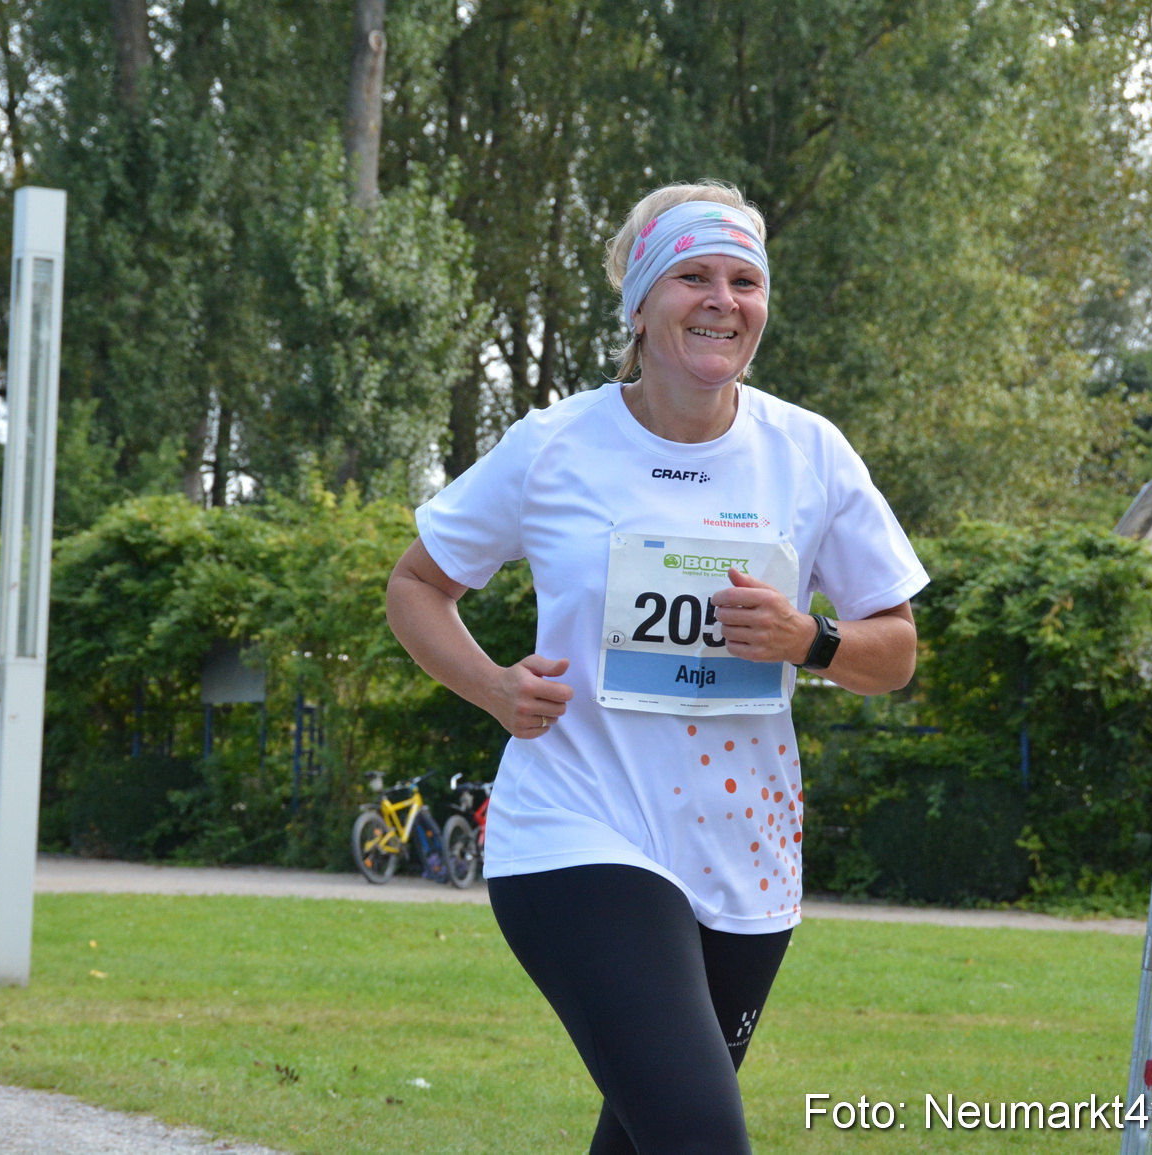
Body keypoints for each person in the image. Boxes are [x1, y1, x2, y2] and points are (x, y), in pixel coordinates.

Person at [385, 180, 926, 1154]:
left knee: (643, 1140)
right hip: (575, 831)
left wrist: (813, 641)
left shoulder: (809, 454)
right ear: (639, 306)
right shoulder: (554, 446)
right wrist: (495, 688)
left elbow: (895, 653)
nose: (722, 298)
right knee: (699, 1136)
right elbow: (416, 586)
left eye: (744, 280)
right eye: (692, 276)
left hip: (743, 855)